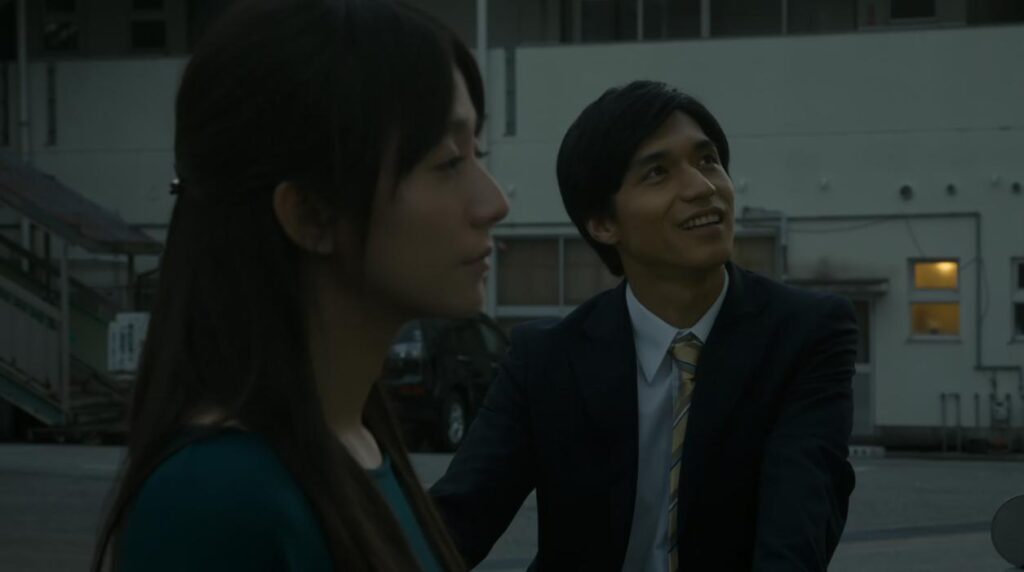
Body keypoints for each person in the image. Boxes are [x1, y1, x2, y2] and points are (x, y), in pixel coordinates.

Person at [91, 0, 507, 570]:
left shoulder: (357, 442)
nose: (494, 203)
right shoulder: (215, 496)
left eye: (477, 153)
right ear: (310, 214)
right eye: (449, 161)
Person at [430, 80, 858, 571]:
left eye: (707, 160)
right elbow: (455, 522)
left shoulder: (806, 334)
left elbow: (796, 527)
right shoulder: (546, 359)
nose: (702, 188)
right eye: (658, 172)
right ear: (602, 224)